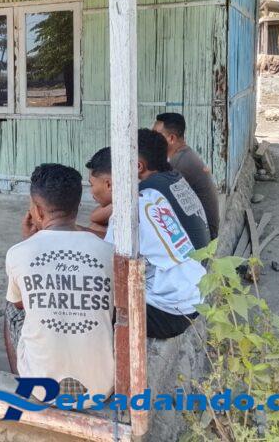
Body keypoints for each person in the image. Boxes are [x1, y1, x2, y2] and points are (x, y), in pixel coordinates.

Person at [4, 164, 115, 397]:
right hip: (100, 389)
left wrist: (28, 243)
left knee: (11, 307)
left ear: (37, 210)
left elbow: (21, 305)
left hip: (42, 390)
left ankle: (22, 383)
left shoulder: (19, 253)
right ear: (77, 206)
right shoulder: (109, 252)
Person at [86, 130, 207, 339]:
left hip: (171, 314)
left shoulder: (126, 214)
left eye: (91, 184)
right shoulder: (151, 196)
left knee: (86, 299)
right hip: (193, 297)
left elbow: (107, 264)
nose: (90, 192)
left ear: (109, 184)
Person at [153, 112, 220, 240]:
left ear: (171, 138)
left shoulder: (179, 163)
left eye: (156, 135)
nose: (152, 140)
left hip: (204, 238)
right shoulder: (182, 155)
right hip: (203, 230)